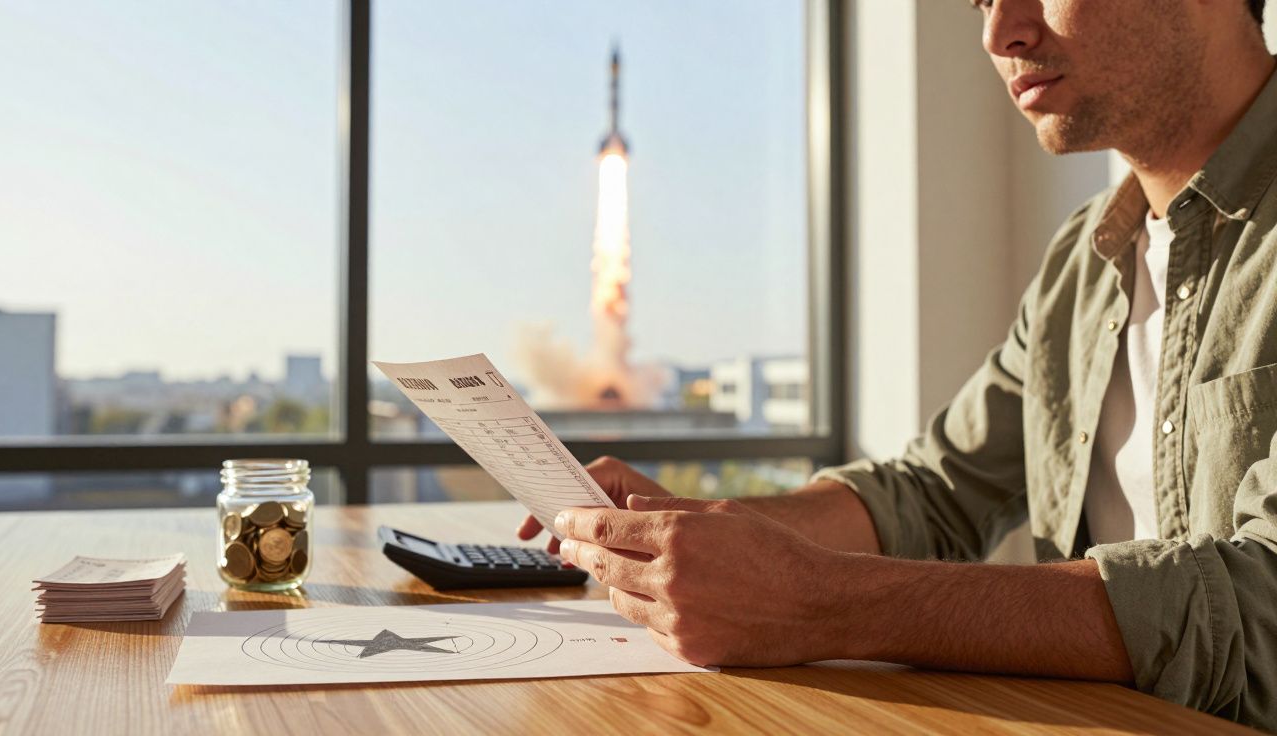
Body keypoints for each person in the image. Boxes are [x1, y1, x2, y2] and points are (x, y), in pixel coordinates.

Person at [517, 0, 1277, 728]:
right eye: (981, 0)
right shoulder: (1083, 261)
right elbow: (936, 492)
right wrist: (697, 532)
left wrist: (820, 602)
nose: (1000, 34)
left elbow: (1261, 605)